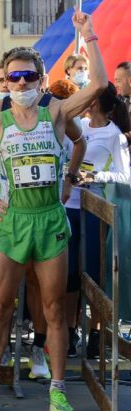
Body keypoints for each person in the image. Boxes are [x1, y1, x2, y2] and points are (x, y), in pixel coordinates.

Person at [0, 12, 106, 411]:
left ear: (41, 81)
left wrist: (89, 36)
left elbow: (97, 86)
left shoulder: (58, 114)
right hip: (12, 222)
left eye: (29, 77)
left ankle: (58, 391)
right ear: (4, 82)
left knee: (54, 309)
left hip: (49, 220)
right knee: (0, 307)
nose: (22, 84)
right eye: (14, 78)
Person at [65, 83, 130, 358]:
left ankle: (95, 332)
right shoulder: (77, 125)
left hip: (95, 209)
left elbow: (125, 176)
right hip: (68, 205)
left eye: (90, 98)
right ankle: (68, 332)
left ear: (99, 103)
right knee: (68, 275)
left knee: (93, 274)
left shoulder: (116, 135)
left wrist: (94, 177)